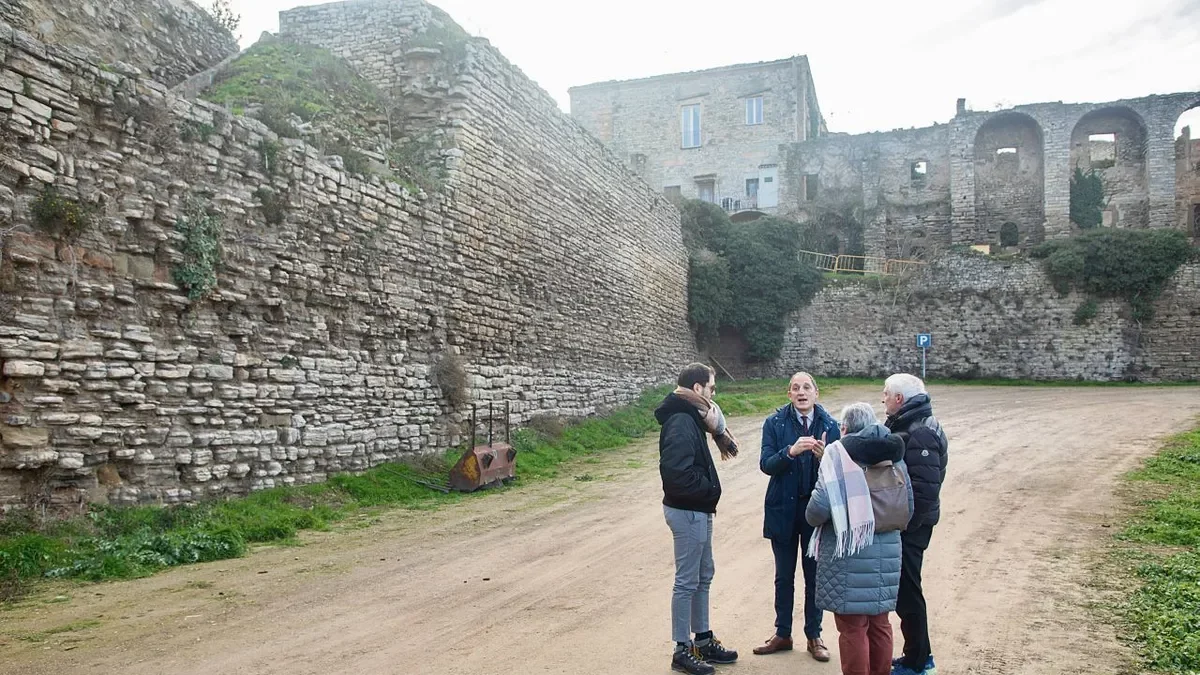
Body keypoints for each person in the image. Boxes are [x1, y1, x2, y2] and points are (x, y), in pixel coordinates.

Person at [806, 402, 913, 675]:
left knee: (853, 628)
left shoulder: (837, 457)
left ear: (844, 428)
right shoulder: (895, 455)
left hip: (848, 554)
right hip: (888, 553)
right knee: (880, 624)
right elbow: (908, 506)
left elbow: (817, 511)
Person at [657, 362, 740, 675]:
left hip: (698, 508)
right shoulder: (681, 420)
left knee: (704, 574)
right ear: (697, 389)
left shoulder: (692, 417)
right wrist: (708, 491)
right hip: (687, 509)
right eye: (711, 388)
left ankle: (702, 639)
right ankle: (682, 649)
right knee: (687, 580)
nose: (713, 394)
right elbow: (676, 475)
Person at [754, 372, 841, 662]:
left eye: (806, 387)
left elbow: (841, 469)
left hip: (815, 513)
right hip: (783, 510)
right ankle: (783, 633)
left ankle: (814, 635)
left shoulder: (829, 424)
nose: (801, 392)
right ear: (789, 395)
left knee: (814, 576)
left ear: (816, 393)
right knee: (783, 576)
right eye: (795, 388)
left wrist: (824, 456)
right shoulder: (774, 423)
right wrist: (789, 452)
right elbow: (766, 464)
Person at [882, 374, 948, 675]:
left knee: (908, 590)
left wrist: (906, 526)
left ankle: (919, 661)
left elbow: (924, 489)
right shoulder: (912, 423)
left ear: (899, 399)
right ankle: (917, 654)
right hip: (910, 523)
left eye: (886, 394)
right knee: (905, 589)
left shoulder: (920, 432)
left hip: (913, 526)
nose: (883, 399)